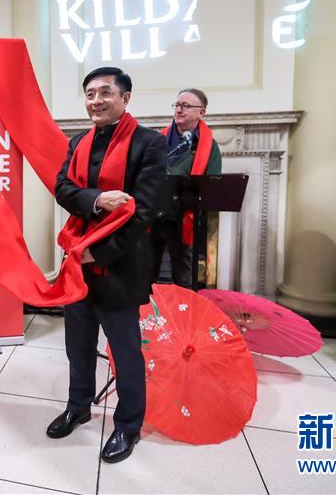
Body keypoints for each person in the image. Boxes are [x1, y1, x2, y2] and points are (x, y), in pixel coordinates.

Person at [50, 67, 166, 463]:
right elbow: (63, 188)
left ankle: (128, 426)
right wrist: (98, 199)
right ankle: (78, 406)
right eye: (89, 94)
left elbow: (144, 211)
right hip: (77, 263)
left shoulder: (149, 143)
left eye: (105, 92)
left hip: (119, 264)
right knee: (77, 345)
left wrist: (99, 253)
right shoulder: (78, 142)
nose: (95, 101)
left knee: (125, 352)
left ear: (125, 98)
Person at [151, 88, 222, 288]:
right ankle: (148, 309)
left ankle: (183, 308)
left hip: (184, 220)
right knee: (146, 274)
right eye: (177, 105)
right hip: (153, 217)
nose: (179, 109)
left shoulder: (209, 146)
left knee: (183, 278)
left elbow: (212, 186)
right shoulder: (157, 141)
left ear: (201, 112)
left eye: (186, 105)